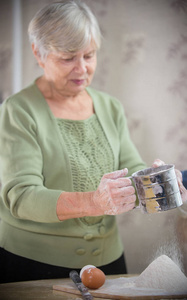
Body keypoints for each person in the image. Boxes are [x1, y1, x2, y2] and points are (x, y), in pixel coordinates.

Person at [0, 0, 186, 283]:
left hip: (108, 261)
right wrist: (94, 202)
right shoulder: (18, 110)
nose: (82, 68)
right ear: (39, 53)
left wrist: (157, 183)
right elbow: (22, 196)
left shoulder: (109, 107)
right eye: (68, 58)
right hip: (34, 265)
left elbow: (131, 168)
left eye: (89, 55)